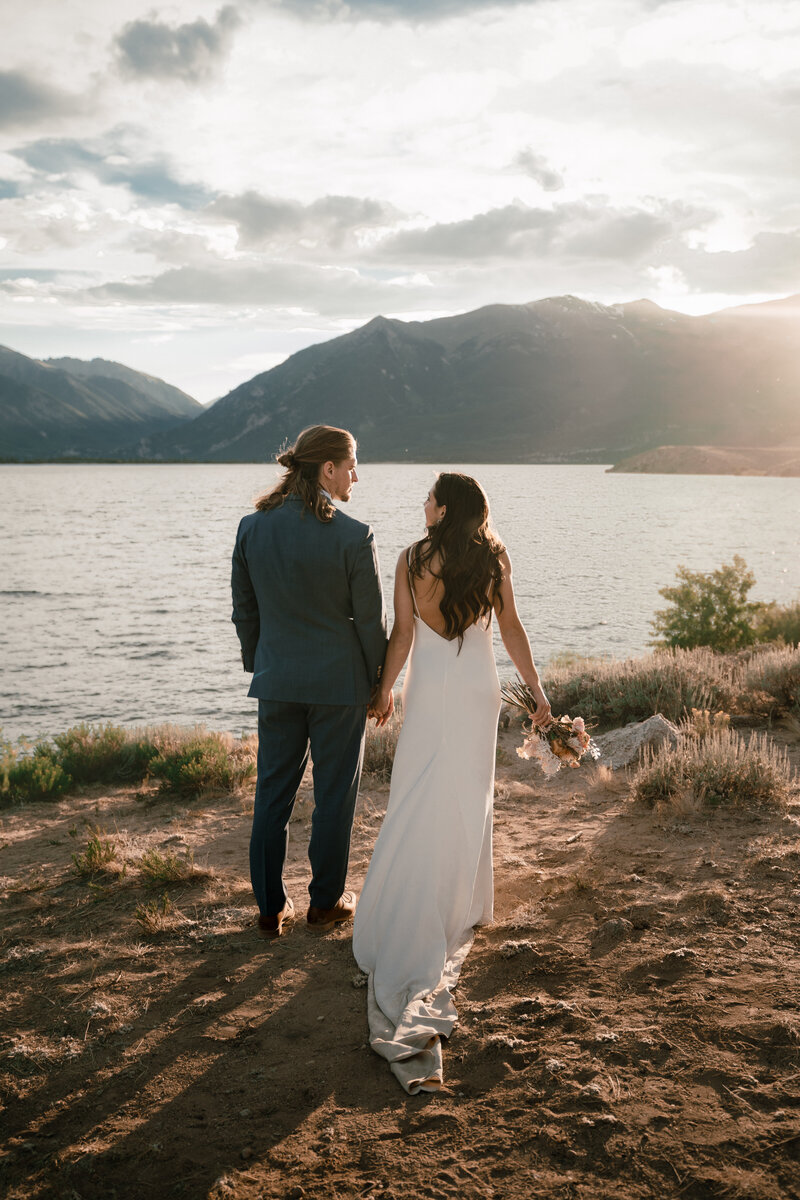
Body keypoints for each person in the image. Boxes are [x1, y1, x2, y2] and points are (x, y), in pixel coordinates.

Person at [352, 472, 551, 1094]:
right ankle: (462, 904)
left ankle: (418, 905)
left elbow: (404, 636)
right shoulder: (493, 558)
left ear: (442, 508)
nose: (423, 507)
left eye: (429, 499)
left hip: (429, 693)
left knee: (416, 795)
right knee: (468, 797)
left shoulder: (412, 558)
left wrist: (383, 689)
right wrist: (539, 695)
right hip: (475, 693)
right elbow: (511, 629)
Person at [231, 425, 388, 937]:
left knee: (271, 797)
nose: (355, 477)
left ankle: (269, 909)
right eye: (351, 466)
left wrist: (264, 663)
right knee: (334, 797)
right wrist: (379, 684)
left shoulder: (251, 529)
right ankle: (324, 904)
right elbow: (370, 624)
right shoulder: (353, 534)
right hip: (339, 686)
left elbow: (245, 611)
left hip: (278, 681)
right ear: (327, 469)